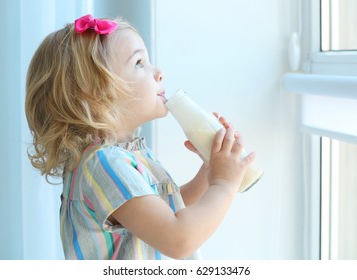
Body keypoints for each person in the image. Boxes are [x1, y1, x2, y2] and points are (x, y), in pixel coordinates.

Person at [25, 14, 256, 260]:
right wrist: (225, 185)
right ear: (94, 95)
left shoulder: (119, 156)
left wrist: (210, 173)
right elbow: (179, 239)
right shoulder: (105, 164)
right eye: (139, 63)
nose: (158, 72)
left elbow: (162, 215)